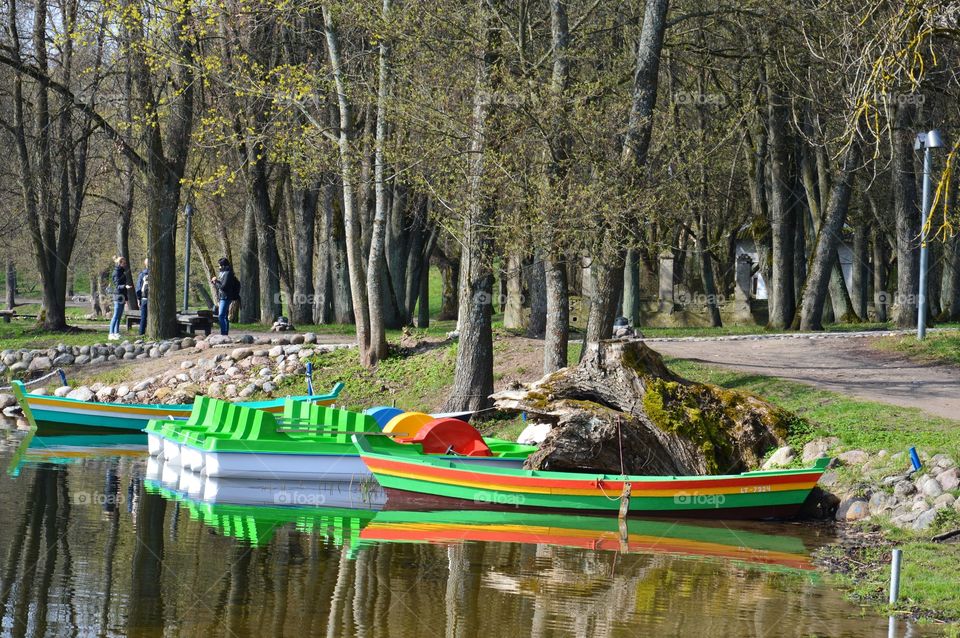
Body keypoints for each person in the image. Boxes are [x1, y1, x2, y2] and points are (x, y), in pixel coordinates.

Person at [211, 257, 240, 335]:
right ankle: (225, 333)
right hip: (222, 296)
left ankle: (223, 333)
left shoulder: (228, 273)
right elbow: (220, 285)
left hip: (226, 297)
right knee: (224, 315)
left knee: (221, 315)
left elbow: (224, 287)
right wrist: (215, 282)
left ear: (223, 265)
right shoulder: (222, 273)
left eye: (220, 265)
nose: (219, 267)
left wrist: (215, 281)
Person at [108, 256, 133, 340]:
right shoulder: (116, 272)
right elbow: (117, 285)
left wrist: (126, 298)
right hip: (118, 296)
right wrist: (125, 286)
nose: (125, 264)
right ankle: (111, 333)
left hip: (122, 296)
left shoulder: (122, 271)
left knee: (119, 316)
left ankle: (116, 333)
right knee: (115, 315)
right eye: (124, 263)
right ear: (120, 263)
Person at [135, 258, 149, 335]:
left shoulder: (142, 274)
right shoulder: (157, 274)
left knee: (143, 317)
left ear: (145, 264)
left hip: (144, 298)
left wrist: (138, 299)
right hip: (154, 300)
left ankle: (141, 334)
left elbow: (138, 288)